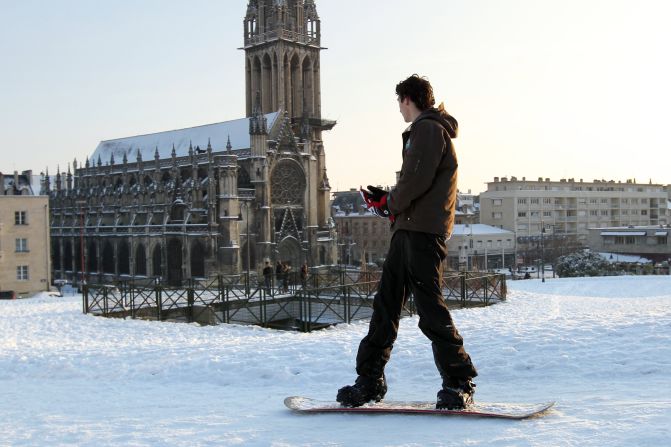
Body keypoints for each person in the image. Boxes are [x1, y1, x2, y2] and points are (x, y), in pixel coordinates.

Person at [336, 74, 478, 410]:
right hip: (408, 230)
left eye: (399, 103)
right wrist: (389, 200)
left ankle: (460, 383)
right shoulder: (425, 131)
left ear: (407, 99)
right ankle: (370, 380)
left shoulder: (428, 129)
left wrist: (389, 203)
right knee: (385, 307)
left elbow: (416, 179)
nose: (399, 110)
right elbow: (417, 184)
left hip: (422, 233)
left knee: (429, 309)